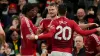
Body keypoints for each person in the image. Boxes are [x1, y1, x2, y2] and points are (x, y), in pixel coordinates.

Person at [27, 4, 100, 56]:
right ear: (66, 12)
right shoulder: (44, 21)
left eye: (52, 9)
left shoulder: (54, 22)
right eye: (49, 10)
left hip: (55, 50)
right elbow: (79, 29)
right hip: (52, 50)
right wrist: (38, 33)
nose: (51, 11)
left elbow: (49, 34)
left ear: (57, 11)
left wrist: (88, 25)